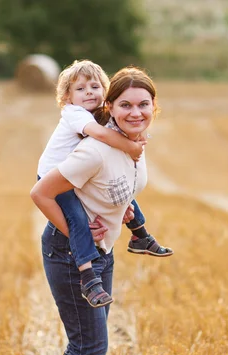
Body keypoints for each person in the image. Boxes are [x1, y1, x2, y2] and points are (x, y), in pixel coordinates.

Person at [30, 66, 162, 355]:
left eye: (143, 105)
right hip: (70, 250)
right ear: (112, 108)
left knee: (89, 350)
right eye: (126, 105)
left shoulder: (133, 144)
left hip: (103, 250)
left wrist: (121, 212)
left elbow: (116, 186)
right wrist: (82, 237)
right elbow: (41, 193)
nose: (136, 112)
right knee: (88, 347)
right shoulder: (95, 146)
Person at [37, 60, 171, 309]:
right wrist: (130, 146)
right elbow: (99, 135)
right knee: (77, 221)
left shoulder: (101, 116)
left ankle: (139, 234)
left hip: (71, 176)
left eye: (95, 86)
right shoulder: (74, 114)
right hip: (51, 175)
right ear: (67, 97)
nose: (89, 92)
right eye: (80, 88)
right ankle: (87, 275)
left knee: (125, 192)